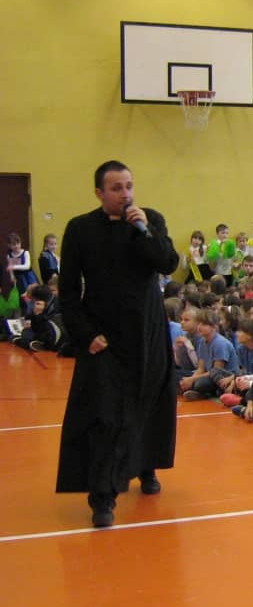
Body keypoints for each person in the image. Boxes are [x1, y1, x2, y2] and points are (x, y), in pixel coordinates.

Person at [56, 160, 179, 527]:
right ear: (99, 193)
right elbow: (68, 290)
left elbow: (168, 263)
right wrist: (84, 334)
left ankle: (146, 465)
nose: (125, 194)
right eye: (116, 188)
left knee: (149, 403)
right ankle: (103, 496)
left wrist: (145, 232)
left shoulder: (150, 221)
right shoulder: (80, 229)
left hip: (148, 332)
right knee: (105, 414)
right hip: (105, 338)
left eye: (129, 186)